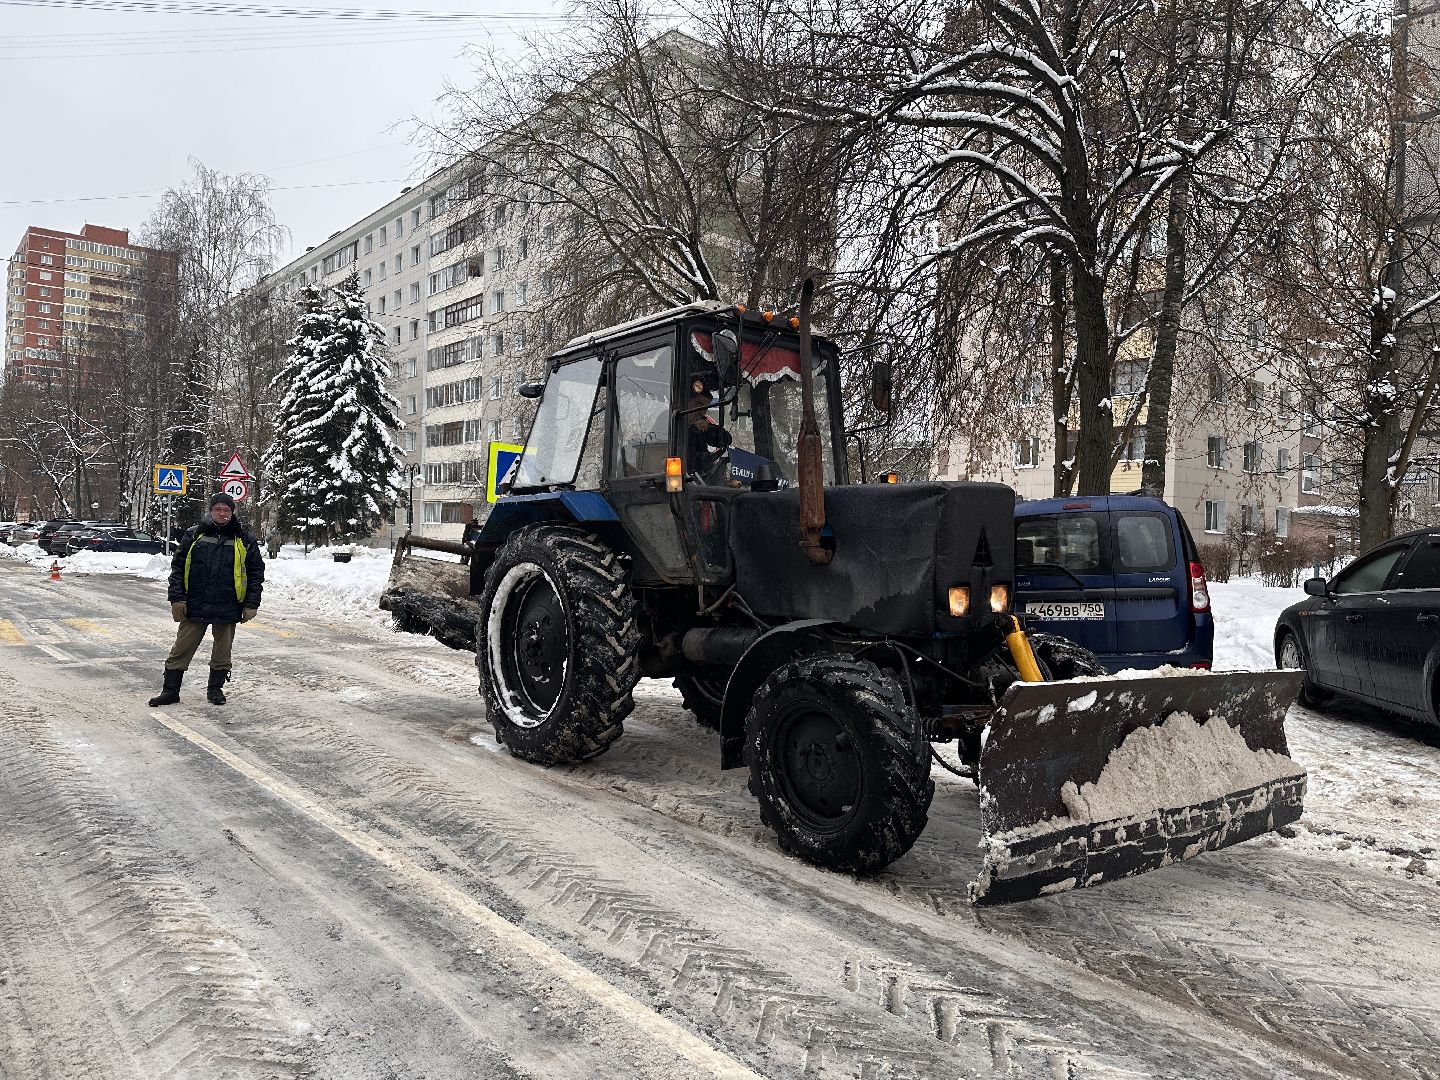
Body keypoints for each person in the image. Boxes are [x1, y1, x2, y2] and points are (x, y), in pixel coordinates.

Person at [148, 492, 265, 708]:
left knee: (222, 651)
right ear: (210, 511)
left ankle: (215, 689)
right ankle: (170, 691)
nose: (222, 513)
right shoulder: (195, 534)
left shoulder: (243, 538)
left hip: (229, 604)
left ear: (232, 513)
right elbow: (178, 568)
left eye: (227, 510)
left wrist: (251, 604)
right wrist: (176, 599)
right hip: (195, 603)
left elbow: (256, 572)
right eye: (218, 509)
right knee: (181, 648)